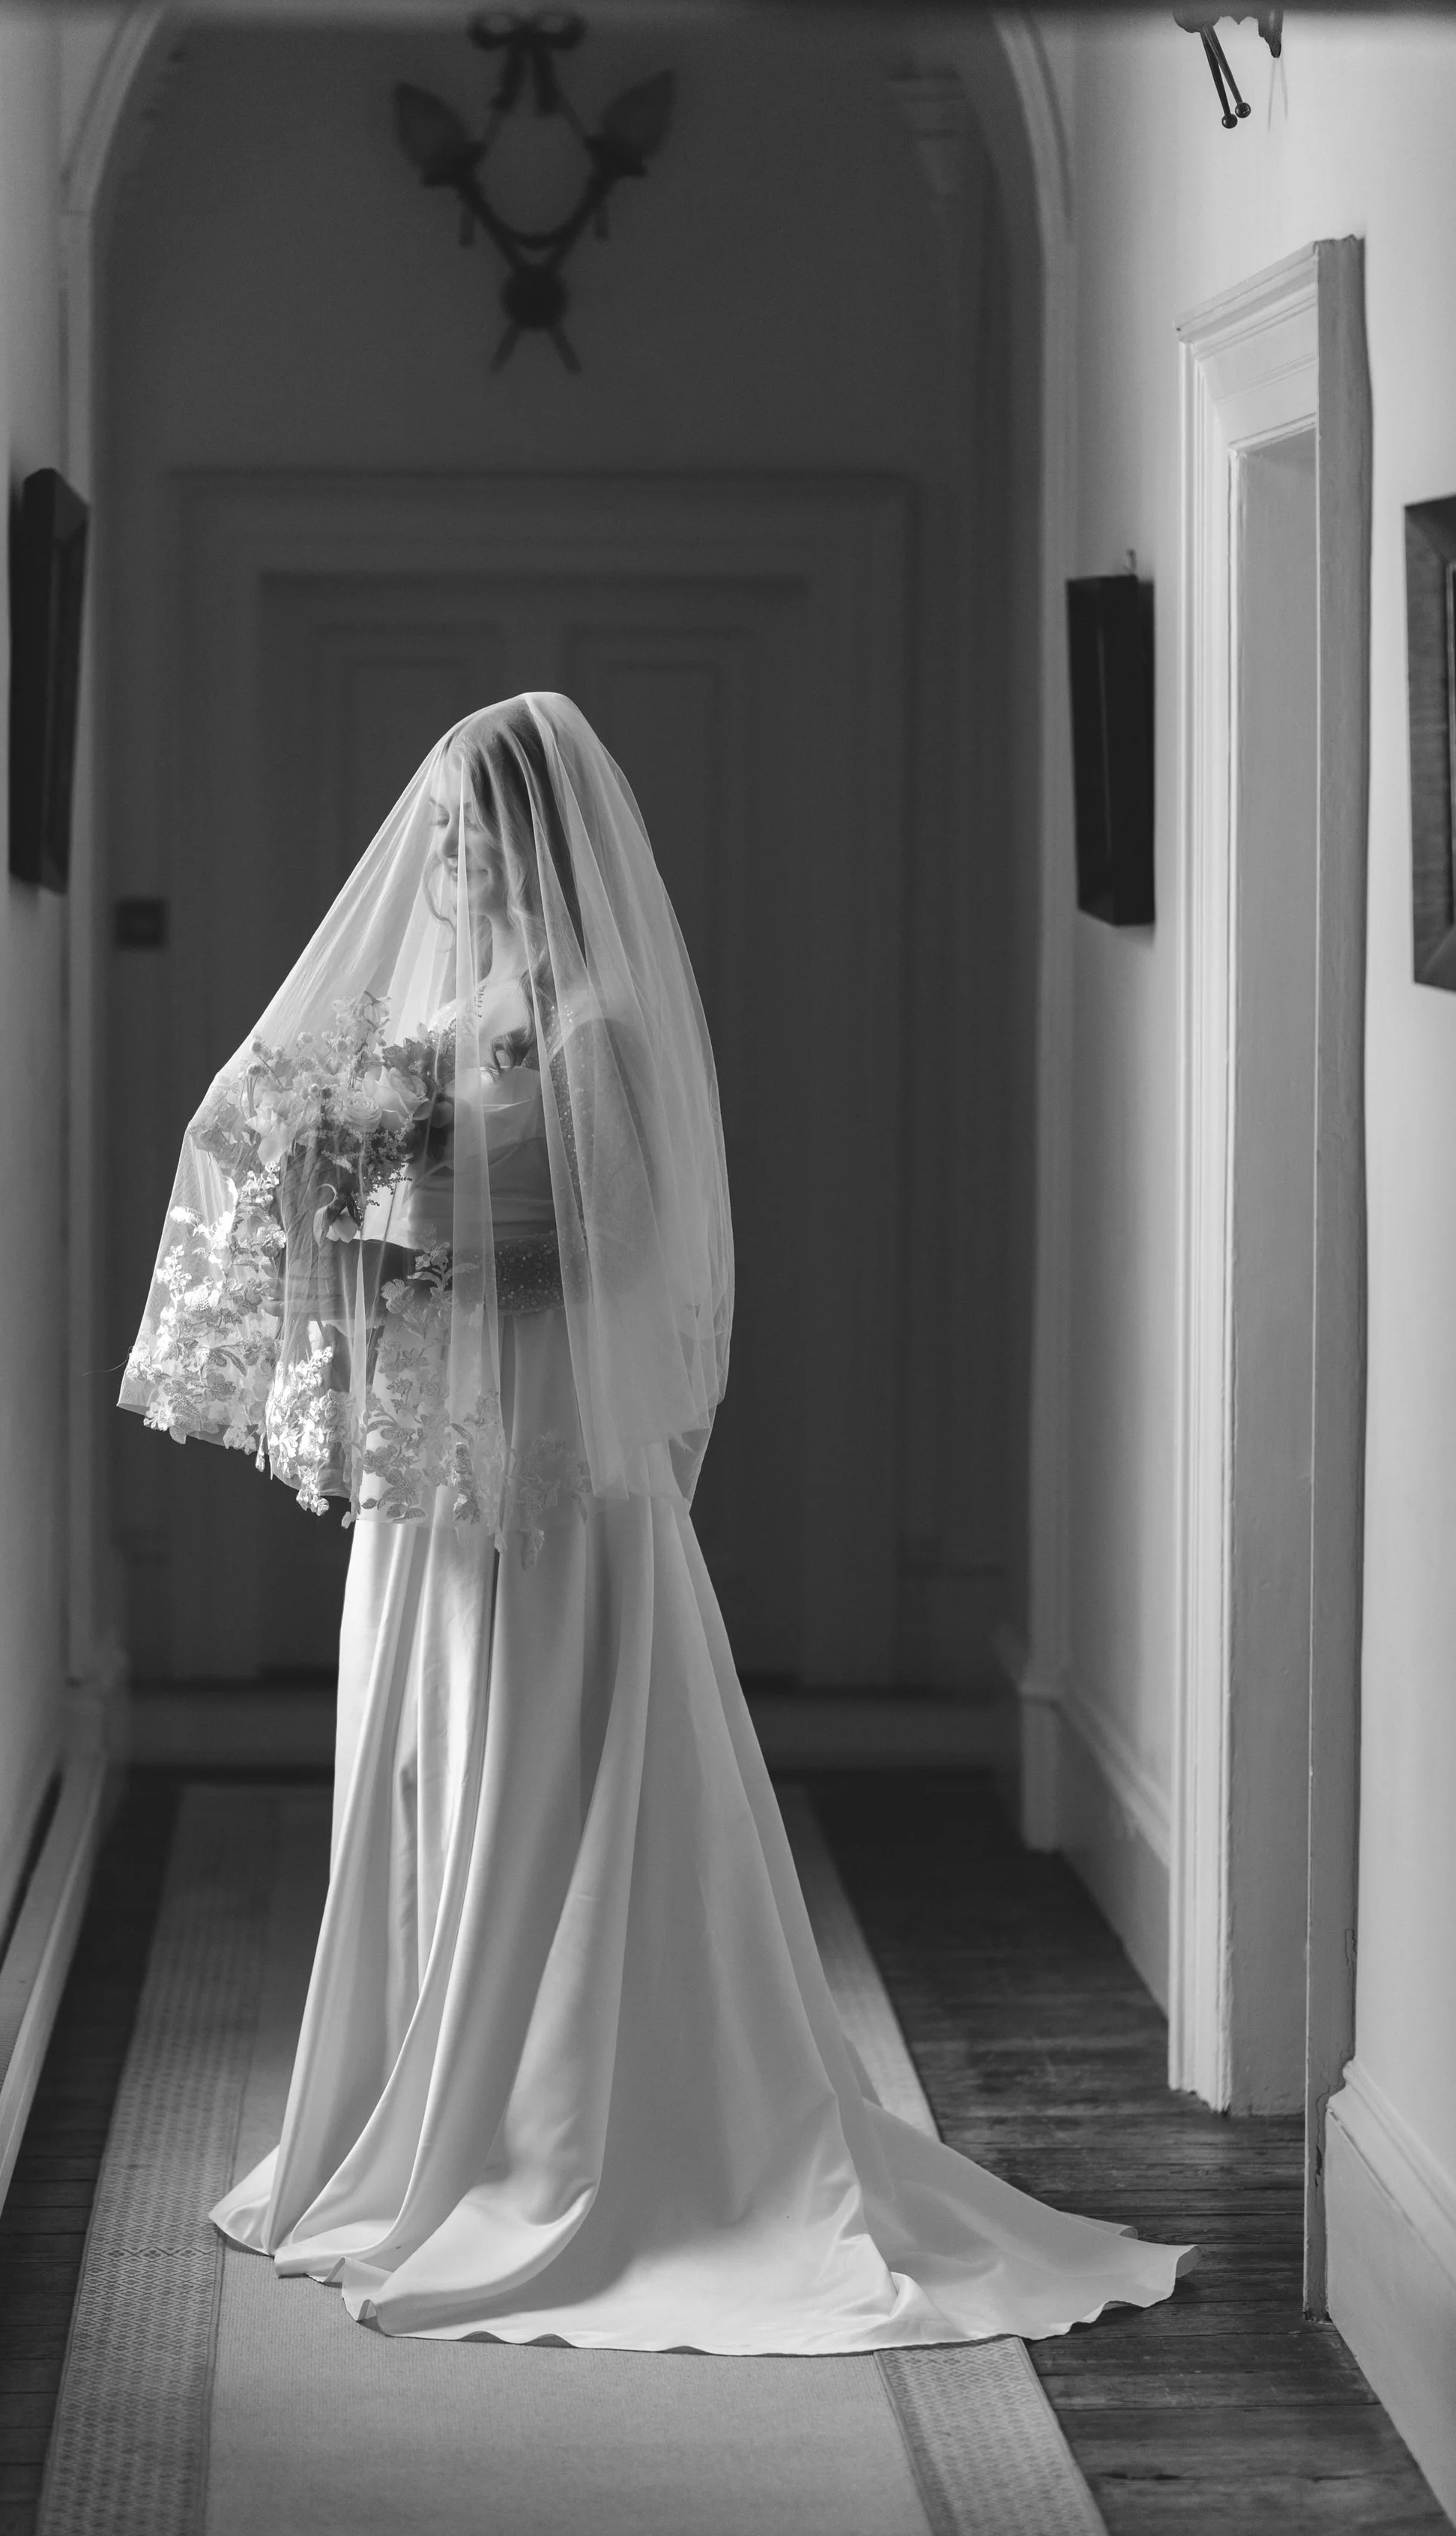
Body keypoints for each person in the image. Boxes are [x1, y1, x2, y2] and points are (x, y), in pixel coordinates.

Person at [120, 691, 1194, 2352]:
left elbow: (612, 1251)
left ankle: (562, 2140)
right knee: (428, 1780)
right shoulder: (466, 1010)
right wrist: (351, 1213)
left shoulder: (598, 1026)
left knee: (539, 1792)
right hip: (448, 1491)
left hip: (556, 1507)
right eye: (441, 833)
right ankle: (426, 2111)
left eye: (471, 835)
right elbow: (428, 1215)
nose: (446, 859)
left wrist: (416, 1237)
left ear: (534, 842)